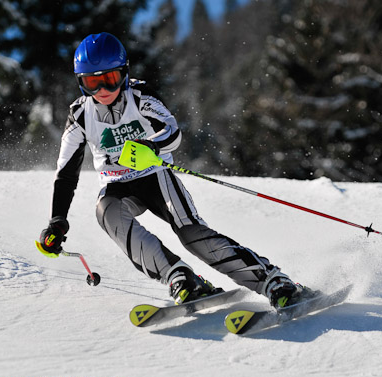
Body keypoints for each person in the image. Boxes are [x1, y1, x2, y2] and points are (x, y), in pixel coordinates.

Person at [37, 32, 315, 308]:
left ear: (123, 73)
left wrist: (152, 146)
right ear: (80, 83)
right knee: (105, 211)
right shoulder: (80, 114)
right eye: (92, 83)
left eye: (109, 79)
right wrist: (57, 221)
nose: (102, 91)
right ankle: (179, 276)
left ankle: (273, 281)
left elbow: (172, 131)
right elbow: (66, 172)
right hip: (118, 185)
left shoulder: (140, 95)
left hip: (155, 177)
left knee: (190, 234)